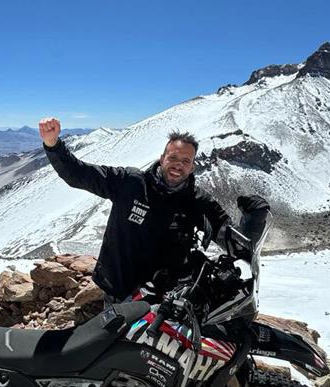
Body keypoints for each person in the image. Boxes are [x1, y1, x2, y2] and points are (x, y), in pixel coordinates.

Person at [39, 117, 231, 308]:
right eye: (172, 157)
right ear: (162, 158)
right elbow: (79, 175)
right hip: (120, 292)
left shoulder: (197, 200)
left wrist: (254, 222)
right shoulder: (131, 183)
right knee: (118, 338)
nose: (178, 165)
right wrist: (53, 144)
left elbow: (227, 232)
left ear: (192, 166)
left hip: (165, 299)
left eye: (185, 161)